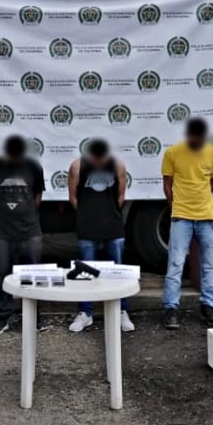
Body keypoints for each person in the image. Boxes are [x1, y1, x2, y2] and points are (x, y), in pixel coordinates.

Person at [161, 117, 213, 329]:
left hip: (206, 216)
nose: (196, 141)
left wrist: (199, 204)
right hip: (181, 216)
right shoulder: (172, 153)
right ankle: (171, 308)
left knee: (210, 264)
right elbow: (167, 185)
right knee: (176, 263)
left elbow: (211, 184)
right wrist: (176, 208)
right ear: (188, 135)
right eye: (193, 137)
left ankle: (209, 306)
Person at [66, 138, 135, 333]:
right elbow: (73, 198)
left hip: (113, 227)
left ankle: (121, 311)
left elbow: (121, 196)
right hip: (87, 228)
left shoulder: (118, 165)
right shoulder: (77, 166)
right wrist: (88, 215)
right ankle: (85, 313)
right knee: (85, 271)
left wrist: (107, 213)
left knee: (118, 271)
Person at [0, 134, 45, 334]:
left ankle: (34, 318)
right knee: (2, 275)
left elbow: (38, 195)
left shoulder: (34, 167)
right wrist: (3, 216)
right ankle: (3, 318)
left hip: (30, 230)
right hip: (2, 232)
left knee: (32, 276)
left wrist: (26, 214)